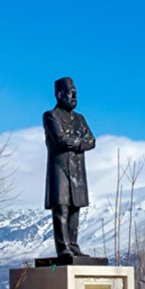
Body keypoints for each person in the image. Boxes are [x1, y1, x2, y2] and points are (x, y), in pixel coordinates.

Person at [43, 77, 96, 257]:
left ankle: (73, 245)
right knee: (61, 207)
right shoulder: (51, 116)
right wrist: (78, 141)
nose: (74, 96)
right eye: (70, 92)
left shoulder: (80, 119)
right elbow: (60, 139)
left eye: (75, 93)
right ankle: (63, 247)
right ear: (59, 94)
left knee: (75, 207)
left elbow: (91, 141)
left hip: (77, 171)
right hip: (60, 169)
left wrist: (77, 143)